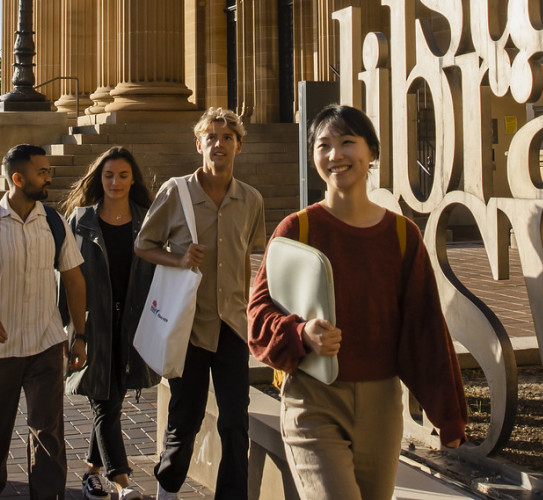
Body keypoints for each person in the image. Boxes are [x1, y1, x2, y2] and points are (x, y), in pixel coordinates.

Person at [247, 105, 468, 499]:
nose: (335, 155)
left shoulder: (402, 235)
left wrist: (448, 417)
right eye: (323, 145)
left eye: (347, 142)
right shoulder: (297, 230)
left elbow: (426, 328)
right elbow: (258, 318)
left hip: (382, 406)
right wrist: (300, 333)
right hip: (313, 400)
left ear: (371, 152)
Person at [135, 107, 266, 500]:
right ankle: (168, 488)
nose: (219, 143)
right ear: (199, 144)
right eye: (211, 136)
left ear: (238, 146)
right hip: (188, 327)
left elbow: (246, 257)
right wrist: (178, 259)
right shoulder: (177, 192)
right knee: (185, 416)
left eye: (227, 137)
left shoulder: (251, 199)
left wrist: (249, 311)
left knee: (235, 423)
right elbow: (142, 244)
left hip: (231, 327)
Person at [0, 144, 88, 500]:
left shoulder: (54, 221)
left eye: (48, 171)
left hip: (45, 343)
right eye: (42, 172)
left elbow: (74, 278)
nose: (49, 177)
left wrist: (79, 334)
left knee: (48, 433)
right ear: (17, 178)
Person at [58, 147, 159, 500]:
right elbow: (66, 277)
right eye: (108, 175)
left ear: (134, 180)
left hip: (131, 323)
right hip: (93, 323)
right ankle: (123, 482)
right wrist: (70, 331)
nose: (115, 182)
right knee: (104, 400)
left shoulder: (147, 221)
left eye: (123, 176)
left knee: (111, 398)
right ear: (99, 179)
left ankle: (91, 471)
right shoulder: (81, 220)